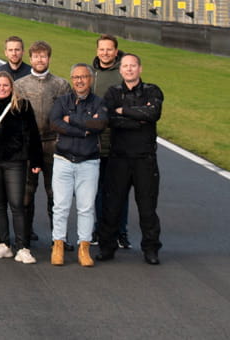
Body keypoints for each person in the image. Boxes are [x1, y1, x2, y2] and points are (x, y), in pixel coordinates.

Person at [97, 53, 164, 265]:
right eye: (125, 66)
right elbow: (109, 119)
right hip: (119, 158)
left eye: (132, 66)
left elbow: (152, 114)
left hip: (145, 159)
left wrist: (124, 111)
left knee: (147, 208)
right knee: (112, 205)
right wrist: (137, 120)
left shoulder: (153, 90)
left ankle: (151, 249)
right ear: (120, 70)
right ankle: (107, 247)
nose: (129, 69)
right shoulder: (113, 92)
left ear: (140, 69)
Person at [0, 71, 44, 264]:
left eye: (5, 85)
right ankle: (4, 244)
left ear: (11, 87)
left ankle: (23, 247)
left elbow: (33, 135)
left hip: (15, 162)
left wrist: (36, 160)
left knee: (17, 204)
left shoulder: (22, 106)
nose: (1, 89)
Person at [47, 63, 108, 267]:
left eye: (83, 77)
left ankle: (84, 247)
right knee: (60, 206)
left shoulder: (99, 102)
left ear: (90, 79)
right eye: (75, 77)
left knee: (86, 207)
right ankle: (58, 244)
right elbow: (55, 123)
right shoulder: (62, 101)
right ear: (72, 79)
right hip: (63, 159)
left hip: (89, 161)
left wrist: (72, 119)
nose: (79, 81)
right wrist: (82, 130)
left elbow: (100, 124)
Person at [13, 41, 70, 247]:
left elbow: (67, 115)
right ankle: (25, 237)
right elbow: (15, 117)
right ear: (31, 58)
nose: (39, 60)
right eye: (36, 56)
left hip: (54, 145)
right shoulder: (20, 85)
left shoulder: (61, 85)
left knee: (56, 194)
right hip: (29, 146)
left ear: (49, 58)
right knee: (27, 193)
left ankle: (59, 238)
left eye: (43, 56)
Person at [92, 33, 132, 249]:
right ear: (97, 51)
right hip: (96, 143)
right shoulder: (91, 73)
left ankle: (120, 231)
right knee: (97, 191)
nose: (105, 53)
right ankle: (99, 230)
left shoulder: (124, 73)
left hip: (119, 143)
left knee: (119, 191)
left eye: (109, 49)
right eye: (102, 49)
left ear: (116, 51)